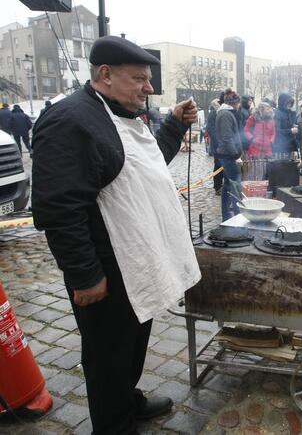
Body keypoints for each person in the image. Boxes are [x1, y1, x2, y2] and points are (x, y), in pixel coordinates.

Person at [31, 35, 201, 434]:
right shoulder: (70, 120)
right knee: (108, 355)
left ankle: (128, 399)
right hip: (106, 268)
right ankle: (113, 424)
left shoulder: (121, 114)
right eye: (140, 78)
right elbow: (60, 208)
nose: (149, 88)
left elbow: (142, 164)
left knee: (133, 342)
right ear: (105, 74)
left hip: (137, 262)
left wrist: (174, 125)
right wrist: (85, 275)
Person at [215, 89, 244, 220]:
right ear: (235, 102)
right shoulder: (226, 114)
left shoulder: (227, 113)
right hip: (228, 156)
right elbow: (227, 138)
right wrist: (235, 156)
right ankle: (237, 215)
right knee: (235, 185)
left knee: (228, 186)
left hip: (228, 155)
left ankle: (227, 216)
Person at [206, 97, 223, 193]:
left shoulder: (220, 113)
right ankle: (217, 186)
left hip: (221, 144)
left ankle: (221, 184)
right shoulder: (213, 113)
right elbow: (210, 128)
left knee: (222, 165)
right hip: (217, 145)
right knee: (218, 165)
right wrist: (218, 140)